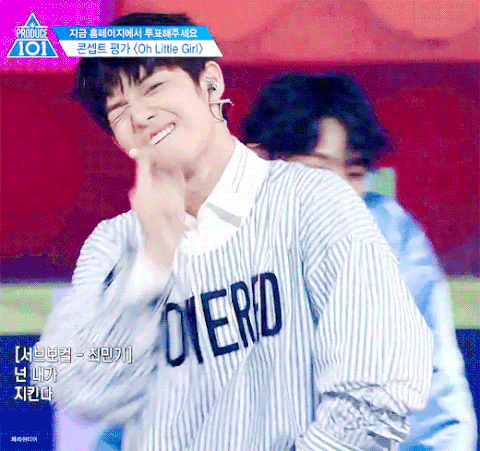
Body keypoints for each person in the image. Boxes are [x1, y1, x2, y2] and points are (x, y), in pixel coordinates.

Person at [33, 13, 434, 451]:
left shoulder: (314, 200)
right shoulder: (113, 244)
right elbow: (77, 390)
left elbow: (377, 393)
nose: (141, 115)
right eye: (118, 110)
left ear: (210, 84)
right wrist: (152, 263)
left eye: (154, 88)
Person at [243, 72, 477, 450]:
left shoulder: (391, 235)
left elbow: (435, 394)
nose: (339, 192)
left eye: (353, 173)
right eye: (319, 170)